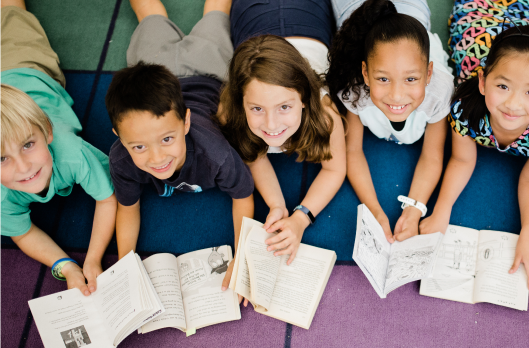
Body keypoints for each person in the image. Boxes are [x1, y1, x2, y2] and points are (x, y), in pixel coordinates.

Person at [420, 0, 529, 290]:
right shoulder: (464, 107)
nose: (513, 104)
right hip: (478, 26)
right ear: (482, 81)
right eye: (502, 86)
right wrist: (441, 210)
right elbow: (462, 160)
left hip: (523, 21)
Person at [106, 0, 254, 294]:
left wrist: (242, 256)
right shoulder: (120, 160)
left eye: (167, 139)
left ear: (186, 123)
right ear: (118, 138)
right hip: (156, 62)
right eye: (138, 147)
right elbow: (127, 208)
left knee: (217, 13)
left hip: (207, 68)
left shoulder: (217, 154)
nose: (157, 158)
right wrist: (127, 262)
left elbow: (244, 198)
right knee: (148, 14)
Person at [0, 0, 117, 295]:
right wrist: (65, 265)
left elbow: (107, 196)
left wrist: (93, 259)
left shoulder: (72, 153)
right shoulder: (2, 195)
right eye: (2, 158)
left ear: (48, 132)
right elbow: (22, 232)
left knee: (10, 12)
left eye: (28, 144)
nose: (24, 167)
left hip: (23, 62)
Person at [218, 0, 346, 266]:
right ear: (241, 102)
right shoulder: (230, 112)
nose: (272, 125)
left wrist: (301, 217)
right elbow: (254, 155)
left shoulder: (325, 113)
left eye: (284, 107)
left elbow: (335, 170)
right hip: (256, 13)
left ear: (303, 99)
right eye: (257, 108)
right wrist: (276, 204)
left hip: (305, 12)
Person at [326, 0, 454, 243]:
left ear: (428, 73)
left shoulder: (440, 90)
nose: (396, 95)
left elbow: (432, 155)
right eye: (383, 79)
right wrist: (374, 209)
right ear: (365, 73)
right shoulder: (353, 88)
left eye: (411, 79)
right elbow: (352, 151)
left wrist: (414, 209)